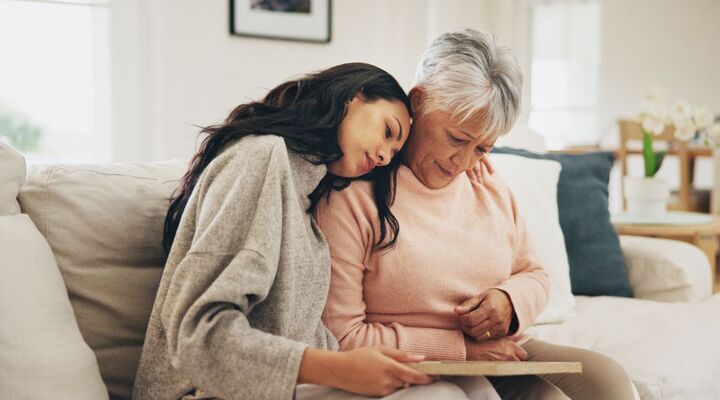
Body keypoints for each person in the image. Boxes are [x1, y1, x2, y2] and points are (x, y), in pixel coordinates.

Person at [132, 63, 498, 400]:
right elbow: (196, 336)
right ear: (353, 97)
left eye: (393, 150)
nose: (386, 156)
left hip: (291, 389)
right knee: (440, 397)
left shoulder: (306, 197)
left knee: (474, 386)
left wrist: (464, 159)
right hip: (208, 392)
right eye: (388, 132)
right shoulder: (262, 158)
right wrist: (340, 369)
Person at [315, 30, 636, 400]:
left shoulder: (486, 181)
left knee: (605, 379)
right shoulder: (354, 193)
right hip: (407, 359)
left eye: (483, 147)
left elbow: (533, 273)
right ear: (418, 102)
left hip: (495, 353)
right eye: (457, 139)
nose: (464, 163)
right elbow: (342, 336)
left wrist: (508, 301)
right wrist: (459, 349)